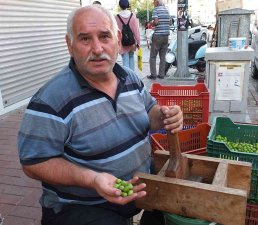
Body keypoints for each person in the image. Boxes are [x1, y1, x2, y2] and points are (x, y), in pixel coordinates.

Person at [17, 5, 183, 225]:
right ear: (70, 45)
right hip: (82, 208)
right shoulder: (50, 100)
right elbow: (33, 162)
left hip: (139, 192)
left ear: (116, 39)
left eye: (104, 36)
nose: (97, 48)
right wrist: (92, 179)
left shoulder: (130, 78)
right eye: (85, 39)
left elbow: (149, 113)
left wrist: (164, 116)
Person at [147, 0, 170, 80]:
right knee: (163, 57)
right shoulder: (166, 10)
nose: (153, 4)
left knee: (153, 56)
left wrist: (151, 23)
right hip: (166, 36)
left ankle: (153, 75)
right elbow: (169, 22)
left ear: (156, 2)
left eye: (153, 2)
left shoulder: (156, 10)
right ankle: (161, 74)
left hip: (158, 36)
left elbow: (156, 22)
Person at [115, 0, 140, 71]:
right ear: (128, 5)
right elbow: (136, 30)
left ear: (120, 6)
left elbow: (115, 32)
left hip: (122, 43)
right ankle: (132, 76)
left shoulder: (116, 17)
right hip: (132, 42)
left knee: (125, 59)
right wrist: (138, 42)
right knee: (131, 57)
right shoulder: (133, 16)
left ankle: (127, 77)